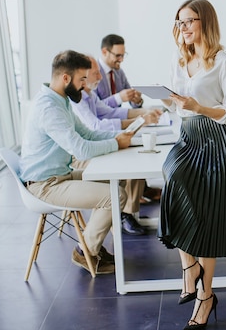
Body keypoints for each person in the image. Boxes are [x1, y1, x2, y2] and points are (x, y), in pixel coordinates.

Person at [158, 0, 226, 330]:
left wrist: (198, 106)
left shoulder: (223, 61)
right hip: (188, 137)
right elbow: (177, 108)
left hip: (218, 141)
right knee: (172, 181)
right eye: (179, 22)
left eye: (189, 21)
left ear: (204, 23)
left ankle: (205, 297)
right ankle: (189, 268)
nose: (182, 28)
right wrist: (168, 101)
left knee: (206, 221)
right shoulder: (178, 59)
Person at [19, 50, 132, 275]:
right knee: (116, 196)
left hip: (61, 174)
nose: (84, 85)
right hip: (46, 185)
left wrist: (120, 137)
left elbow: (87, 135)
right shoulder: (49, 109)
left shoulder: (61, 99)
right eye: (82, 79)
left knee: (116, 182)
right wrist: (116, 144)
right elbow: (80, 148)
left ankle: (93, 246)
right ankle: (85, 251)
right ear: (66, 78)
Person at [70, 56, 164, 235]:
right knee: (131, 160)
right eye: (96, 73)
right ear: (82, 75)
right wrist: (138, 120)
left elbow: (111, 112)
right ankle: (125, 213)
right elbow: (95, 126)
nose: (100, 76)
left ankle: (128, 212)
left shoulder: (89, 93)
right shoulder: (78, 98)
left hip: (100, 144)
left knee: (137, 157)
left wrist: (141, 113)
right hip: (86, 154)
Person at [95, 33, 144, 108]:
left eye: (123, 55)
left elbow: (133, 102)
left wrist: (137, 100)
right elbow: (94, 108)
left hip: (120, 117)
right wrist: (118, 98)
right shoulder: (91, 73)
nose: (122, 60)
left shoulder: (119, 72)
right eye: (118, 55)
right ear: (104, 52)